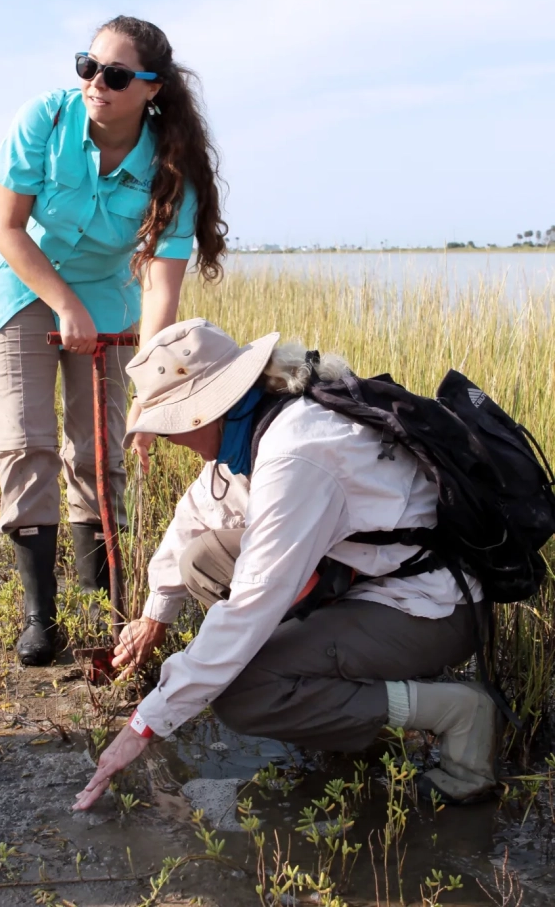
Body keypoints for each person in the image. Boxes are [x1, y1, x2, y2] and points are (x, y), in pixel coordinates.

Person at [73, 318, 501, 812]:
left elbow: (251, 606)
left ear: (204, 413)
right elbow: (194, 519)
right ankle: (344, 713)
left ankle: (456, 712)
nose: (169, 440)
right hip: (367, 580)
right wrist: (155, 615)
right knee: (203, 561)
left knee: (244, 693)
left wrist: (145, 723)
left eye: (170, 426)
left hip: (430, 610)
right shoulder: (263, 421)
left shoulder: (295, 456)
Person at [0, 19, 226, 666]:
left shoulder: (172, 168)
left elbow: (161, 292)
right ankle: (42, 618)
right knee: (27, 443)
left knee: (101, 450)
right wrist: (63, 303)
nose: (96, 84)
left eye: (115, 76)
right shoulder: (45, 119)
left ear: (152, 89)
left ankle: (100, 601)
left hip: (107, 302)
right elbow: (6, 228)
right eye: (88, 66)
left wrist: (154, 391)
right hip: (21, 285)